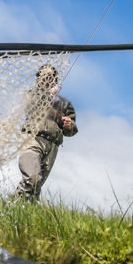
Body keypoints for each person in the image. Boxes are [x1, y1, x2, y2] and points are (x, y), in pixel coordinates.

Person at [15, 65, 78, 200]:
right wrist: (49, 94)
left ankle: (24, 209)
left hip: (52, 146)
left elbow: (72, 130)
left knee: (37, 185)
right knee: (32, 177)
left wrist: (69, 125)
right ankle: (15, 204)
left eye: (50, 77)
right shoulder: (30, 94)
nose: (46, 80)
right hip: (33, 139)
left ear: (55, 79)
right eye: (43, 77)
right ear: (38, 79)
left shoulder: (64, 103)